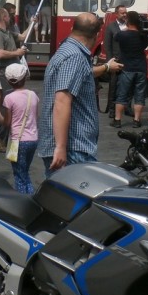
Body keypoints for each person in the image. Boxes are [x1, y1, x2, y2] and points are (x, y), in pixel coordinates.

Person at [37, 12, 121, 174]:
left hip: (71, 147)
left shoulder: (67, 50)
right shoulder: (74, 56)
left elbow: (84, 74)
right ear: (97, 35)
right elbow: (62, 101)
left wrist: (106, 67)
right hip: (72, 148)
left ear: (72, 28)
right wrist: (61, 147)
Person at [0, 8, 28, 152]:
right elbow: (0, 53)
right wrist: (17, 52)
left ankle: (1, 137)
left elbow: (22, 37)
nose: (10, 17)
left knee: (10, 105)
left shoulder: (8, 32)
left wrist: (32, 24)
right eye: (8, 15)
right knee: (7, 107)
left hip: (14, 72)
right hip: (6, 72)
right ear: (4, 17)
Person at [1, 62, 39, 194]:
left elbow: (7, 123)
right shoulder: (33, 95)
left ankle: (24, 203)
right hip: (33, 139)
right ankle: (30, 198)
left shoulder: (9, 98)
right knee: (24, 172)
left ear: (8, 80)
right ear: (25, 77)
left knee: (19, 175)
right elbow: (35, 116)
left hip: (17, 141)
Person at [112, 9, 148, 128]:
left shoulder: (122, 35)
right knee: (139, 95)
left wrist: (126, 27)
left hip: (127, 67)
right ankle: (136, 120)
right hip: (141, 67)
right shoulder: (143, 35)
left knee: (122, 94)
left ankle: (117, 120)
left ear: (128, 20)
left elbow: (116, 37)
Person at [103, 5, 127, 116]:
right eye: (122, 13)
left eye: (125, 12)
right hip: (115, 60)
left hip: (127, 60)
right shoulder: (111, 27)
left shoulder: (129, 25)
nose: (125, 15)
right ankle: (112, 108)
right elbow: (108, 46)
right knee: (114, 85)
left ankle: (126, 107)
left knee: (127, 85)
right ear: (116, 14)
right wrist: (109, 61)